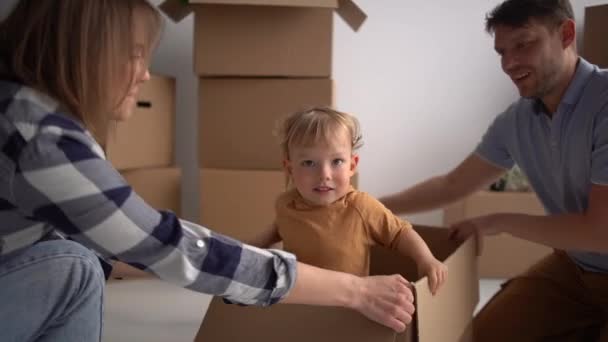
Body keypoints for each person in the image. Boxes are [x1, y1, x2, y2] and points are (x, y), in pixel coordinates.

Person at [0, 1, 415, 341]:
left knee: (76, 258)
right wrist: (356, 290)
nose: (146, 73)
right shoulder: (41, 136)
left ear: (352, 164)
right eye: (135, 55)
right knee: (76, 266)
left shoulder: (24, 113)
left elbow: (112, 241)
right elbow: (167, 245)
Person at [380, 0, 608, 340]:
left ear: (566, 34)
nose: (510, 63)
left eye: (524, 44)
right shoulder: (516, 121)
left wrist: (497, 221)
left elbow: (600, 233)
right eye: (502, 51)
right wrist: (367, 208)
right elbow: (451, 185)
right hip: (577, 269)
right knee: (483, 335)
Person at [250, 107, 447, 295]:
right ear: (290, 168)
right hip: (300, 300)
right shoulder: (286, 204)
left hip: (349, 307)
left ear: (352, 165)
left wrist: (426, 259)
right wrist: (249, 247)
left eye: (337, 161)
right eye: (309, 163)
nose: (324, 175)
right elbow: (280, 228)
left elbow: (400, 233)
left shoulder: (360, 207)